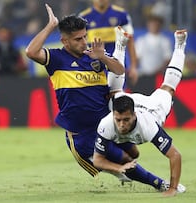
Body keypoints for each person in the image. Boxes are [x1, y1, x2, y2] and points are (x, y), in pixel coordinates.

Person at [25, 4, 128, 179]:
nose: (84, 42)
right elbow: (31, 52)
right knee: (100, 164)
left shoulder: (93, 55)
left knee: (127, 160)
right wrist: (50, 26)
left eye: (84, 37)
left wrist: (102, 56)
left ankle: (153, 182)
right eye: (78, 39)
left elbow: (119, 71)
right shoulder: (56, 58)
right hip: (78, 128)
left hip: (103, 122)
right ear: (64, 41)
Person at [94, 29, 188, 197]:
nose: (121, 124)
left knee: (168, 87)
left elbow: (175, 155)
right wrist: (119, 168)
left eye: (126, 120)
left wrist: (172, 188)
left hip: (153, 109)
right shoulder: (107, 123)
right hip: (131, 103)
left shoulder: (148, 127)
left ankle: (180, 45)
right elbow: (97, 160)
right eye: (119, 120)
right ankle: (120, 43)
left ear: (134, 116)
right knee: (114, 92)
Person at [79, 0, 138, 85]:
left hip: (117, 66)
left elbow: (130, 40)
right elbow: (79, 44)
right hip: (94, 67)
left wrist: (133, 67)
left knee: (118, 95)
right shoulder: (83, 17)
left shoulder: (121, 15)